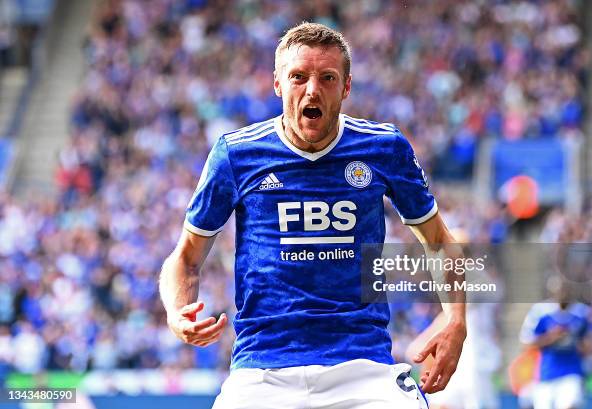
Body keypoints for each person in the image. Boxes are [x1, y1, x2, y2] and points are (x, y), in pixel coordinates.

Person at [159, 22, 466, 409]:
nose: (311, 89)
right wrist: (176, 311)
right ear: (277, 84)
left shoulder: (383, 148)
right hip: (263, 371)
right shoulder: (236, 154)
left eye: (327, 77)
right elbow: (186, 258)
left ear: (347, 87)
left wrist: (456, 319)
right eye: (298, 77)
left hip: (362, 367)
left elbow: (439, 242)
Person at [519, 279, 590, 409]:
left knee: (569, 404)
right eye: (559, 291)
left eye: (566, 291)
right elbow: (526, 343)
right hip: (547, 373)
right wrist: (550, 337)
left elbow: (589, 343)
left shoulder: (581, 312)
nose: (563, 295)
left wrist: (578, 342)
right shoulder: (541, 312)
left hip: (571, 371)